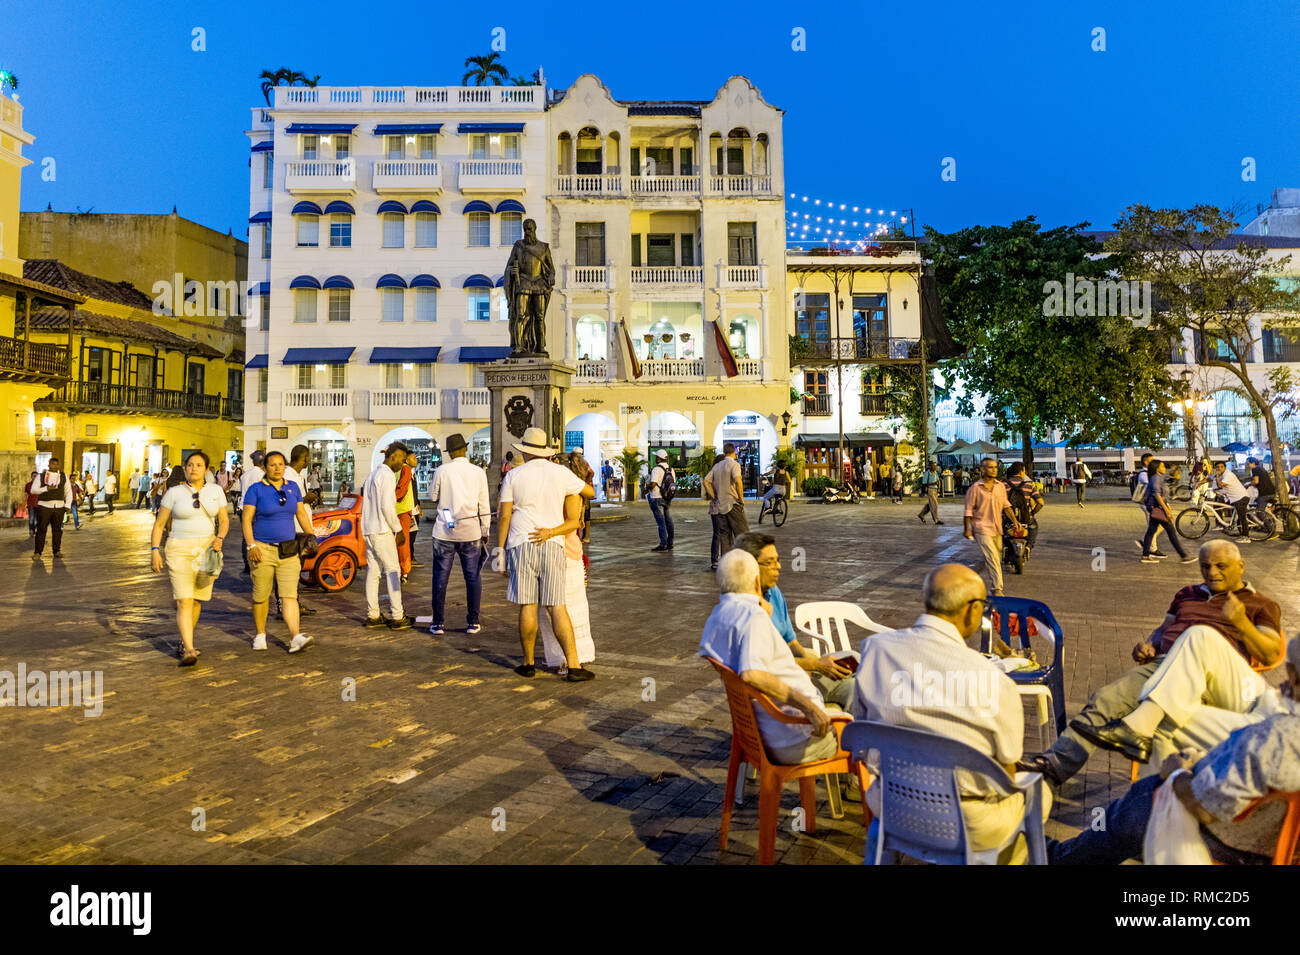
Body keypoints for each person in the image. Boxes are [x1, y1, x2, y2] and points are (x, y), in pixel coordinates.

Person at [1019, 540, 1283, 785]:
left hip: (1212, 679)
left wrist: (1242, 624)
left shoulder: (1260, 604)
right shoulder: (1188, 593)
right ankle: (1055, 766)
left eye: (1220, 566)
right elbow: (1163, 629)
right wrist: (1150, 643)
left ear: (1241, 566)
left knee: (1197, 638)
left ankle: (1145, 744)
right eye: (1205, 566)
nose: (1212, 572)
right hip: (1163, 666)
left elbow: (1271, 654)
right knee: (1105, 699)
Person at [855, 564, 1053, 864]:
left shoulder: (875, 650)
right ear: (973, 610)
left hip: (893, 805)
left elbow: (862, 731)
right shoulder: (994, 680)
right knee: (1039, 795)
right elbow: (1008, 772)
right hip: (968, 824)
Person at [1049, 635, 1299, 865]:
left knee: (1135, 805)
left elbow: (1205, 807)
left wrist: (1177, 774)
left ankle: (1061, 858)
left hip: (1231, 841)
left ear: (1293, 676)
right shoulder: (1282, 734)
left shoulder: (1275, 736)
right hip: (1272, 841)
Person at [698, 549, 838, 765]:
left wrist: (763, 614)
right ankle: (866, 791)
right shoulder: (753, 618)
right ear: (756, 582)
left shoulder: (716, 617)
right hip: (793, 735)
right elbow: (752, 674)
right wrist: (809, 709)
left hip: (760, 731)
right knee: (865, 726)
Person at [497, 427, 596, 682]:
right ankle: (574, 666)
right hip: (552, 542)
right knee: (557, 606)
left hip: (521, 541)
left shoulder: (514, 476)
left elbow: (504, 515)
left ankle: (528, 663)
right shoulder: (560, 472)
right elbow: (590, 492)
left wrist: (500, 550)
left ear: (525, 451)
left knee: (527, 605)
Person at [733, 532, 853, 710]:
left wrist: (815, 668)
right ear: (749, 567)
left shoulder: (774, 593)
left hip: (795, 673)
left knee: (854, 665)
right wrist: (815, 665)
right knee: (855, 690)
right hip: (778, 688)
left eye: (778, 560)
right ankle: (858, 733)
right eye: (770, 562)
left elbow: (791, 642)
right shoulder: (745, 610)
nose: (778, 567)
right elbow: (764, 666)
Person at [151, 451, 230, 666]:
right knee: (184, 600)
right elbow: (159, 524)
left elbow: (223, 520)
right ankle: (188, 649)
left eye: (198, 465)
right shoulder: (174, 493)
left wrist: (220, 538)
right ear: (185, 468)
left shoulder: (215, 491)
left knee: (197, 601)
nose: (193, 468)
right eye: (190, 465)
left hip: (207, 549)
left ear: (206, 469)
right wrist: (155, 550)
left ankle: (185, 641)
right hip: (179, 549)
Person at [242, 450, 316, 654]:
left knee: (289, 595)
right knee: (261, 595)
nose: (277, 468)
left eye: (281, 464)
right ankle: (260, 634)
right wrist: (251, 546)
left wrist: (311, 536)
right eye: (272, 465)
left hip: (289, 550)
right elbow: (246, 520)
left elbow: (300, 513)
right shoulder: (255, 489)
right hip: (262, 549)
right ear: (265, 468)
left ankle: (295, 637)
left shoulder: (292, 487)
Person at [539, 452, 598, 676]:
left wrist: (549, 531)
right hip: (558, 549)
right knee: (555, 608)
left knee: (566, 607)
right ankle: (561, 656)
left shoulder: (572, 491)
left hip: (566, 551)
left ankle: (568, 658)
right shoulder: (569, 488)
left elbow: (572, 522)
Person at [428, 432, 491, 636]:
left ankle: (438, 623)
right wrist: (485, 529)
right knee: (472, 578)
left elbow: (432, 496)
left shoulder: (442, 471)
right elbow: (484, 504)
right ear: (465, 449)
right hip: (471, 531)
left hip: (444, 532)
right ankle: (472, 621)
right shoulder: (478, 472)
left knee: (440, 578)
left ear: (451, 452)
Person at [360, 443, 413, 631]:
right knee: (393, 570)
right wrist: (397, 529)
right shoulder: (388, 475)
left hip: (368, 529)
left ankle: (373, 614)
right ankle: (398, 615)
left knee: (374, 572)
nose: (402, 463)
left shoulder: (373, 474)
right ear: (393, 457)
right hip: (382, 529)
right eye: (402, 459)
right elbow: (386, 506)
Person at [963, 456, 1022, 598]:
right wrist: (967, 528)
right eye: (990, 467)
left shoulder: (1000, 486)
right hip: (981, 528)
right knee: (993, 558)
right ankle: (997, 589)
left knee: (994, 558)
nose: (994, 470)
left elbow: (1006, 506)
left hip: (997, 528)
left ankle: (966, 578)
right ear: (982, 470)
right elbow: (968, 511)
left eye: (995, 467)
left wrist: (1015, 521)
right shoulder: (974, 489)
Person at [703, 442, 748, 571]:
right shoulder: (734, 464)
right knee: (742, 533)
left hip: (721, 504)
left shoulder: (717, 466)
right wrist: (741, 499)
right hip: (733, 503)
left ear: (724, 452)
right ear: (734, 452)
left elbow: (706, 481)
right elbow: (738, 481)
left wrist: (714, 496)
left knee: (724, 535)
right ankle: (746, 562)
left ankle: (725, 564)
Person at [1140, 458, 1193, 563]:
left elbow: (1163, 490)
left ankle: (1145, 555)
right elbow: (1157, 494)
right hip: (1158, 508)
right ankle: (1183, 556)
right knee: (1171, 532)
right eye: (1163, 466)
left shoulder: (1158, 477)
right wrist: (1166, 510)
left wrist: (1167, 506)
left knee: (1151, 531)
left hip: (1155, 508)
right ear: (1157, 468)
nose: (1165, 468)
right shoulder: (1155, 478)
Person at [32, 457, 73, 560]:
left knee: (57, 530)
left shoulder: (64, 477)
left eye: (56, 464)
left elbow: (68, 492)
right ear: (48, 464)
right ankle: (38, 552)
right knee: (41, 530)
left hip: (59, 507)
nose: (54, 466)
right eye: (52, 464)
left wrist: (67, 505)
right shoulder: (41, 476)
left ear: (58, 465)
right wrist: (46, 488)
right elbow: (33, 490)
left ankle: (57, 550)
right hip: (44, 506)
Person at [1003, 461, 1043, 552]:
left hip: (1007, 517)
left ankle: (1005, 546)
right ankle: (1029, 546)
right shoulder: (1029, 485)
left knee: (1001, 529)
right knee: (1033, 527)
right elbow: (1041, 503)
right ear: (1021, 471)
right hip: (1025, 518)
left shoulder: (1003, 485)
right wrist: (1032, 513)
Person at [238, 451, 266, 573]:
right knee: (257, 536)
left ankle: (246, 562)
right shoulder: (262, 475)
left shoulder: (244, 475)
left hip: (243, 507)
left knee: (246, 536)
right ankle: (255, 560)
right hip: (256, 508)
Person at [1210, 461, 1251, 539]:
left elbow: (1220, 484)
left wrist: (1218, 476)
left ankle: (1246, 536)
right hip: (1233, 498)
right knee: (1217, 504)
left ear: (1225, 467)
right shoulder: (1221, 475)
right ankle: (1222, 525)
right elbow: (1210, 478)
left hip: (1240, 497)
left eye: (1221, 467)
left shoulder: (1228, 475)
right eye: (1217, 467)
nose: (1219, 469)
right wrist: (1199, 483)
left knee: (1242, 517)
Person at [646, 449, 675, 552]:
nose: (655, 459)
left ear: (659, 458)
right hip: (667, 498)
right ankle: (670, 543)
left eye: (656, 457)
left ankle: (663, 544)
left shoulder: (656, 469)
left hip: (656, 497)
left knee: (661, 522)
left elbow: (653, 484)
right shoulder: (671, 469)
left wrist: (646, 486)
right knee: (668, 521)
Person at [394, 450, 416, 581]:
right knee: (403, 541)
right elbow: (401, 490)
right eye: (413, 457)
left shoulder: (393, 470)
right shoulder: (406, 469)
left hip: (395, 509)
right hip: (402, 510)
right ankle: (404, 570)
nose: (416, 460)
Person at [917, 459, 943, 525]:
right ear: (930, 466)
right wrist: (933, 483)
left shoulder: (935, 473)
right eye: (933, 466)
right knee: (934, 505)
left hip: (935, 490)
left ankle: (921, 514)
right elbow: (924, 483)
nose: (935, 467)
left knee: (930, 505)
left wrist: (938, 489)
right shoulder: (927, 473)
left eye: (935, 466)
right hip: (930, 490)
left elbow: (938, 481)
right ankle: (936, 520)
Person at [24, 471, 39, 536]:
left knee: (36, 520)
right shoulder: (28, 485)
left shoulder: (40, 485)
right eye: (34, 476)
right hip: (30, 504)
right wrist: (24, 504)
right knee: (31, 518)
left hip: (38, 504)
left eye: (36, 476)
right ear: (31, 477)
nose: (35, 477)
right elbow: (25, 495)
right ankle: (31, 530)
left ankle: (33, 530)